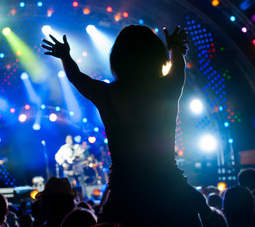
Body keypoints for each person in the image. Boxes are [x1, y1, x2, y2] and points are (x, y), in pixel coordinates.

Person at [42, 25, 211, 226]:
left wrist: (65, 56)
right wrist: (174, 46)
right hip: (170, 192)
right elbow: (178, 66)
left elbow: (76, 77)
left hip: (125, 196)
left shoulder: (107, 94)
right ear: (156, 57)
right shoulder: (167, 88)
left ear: (118, 59)